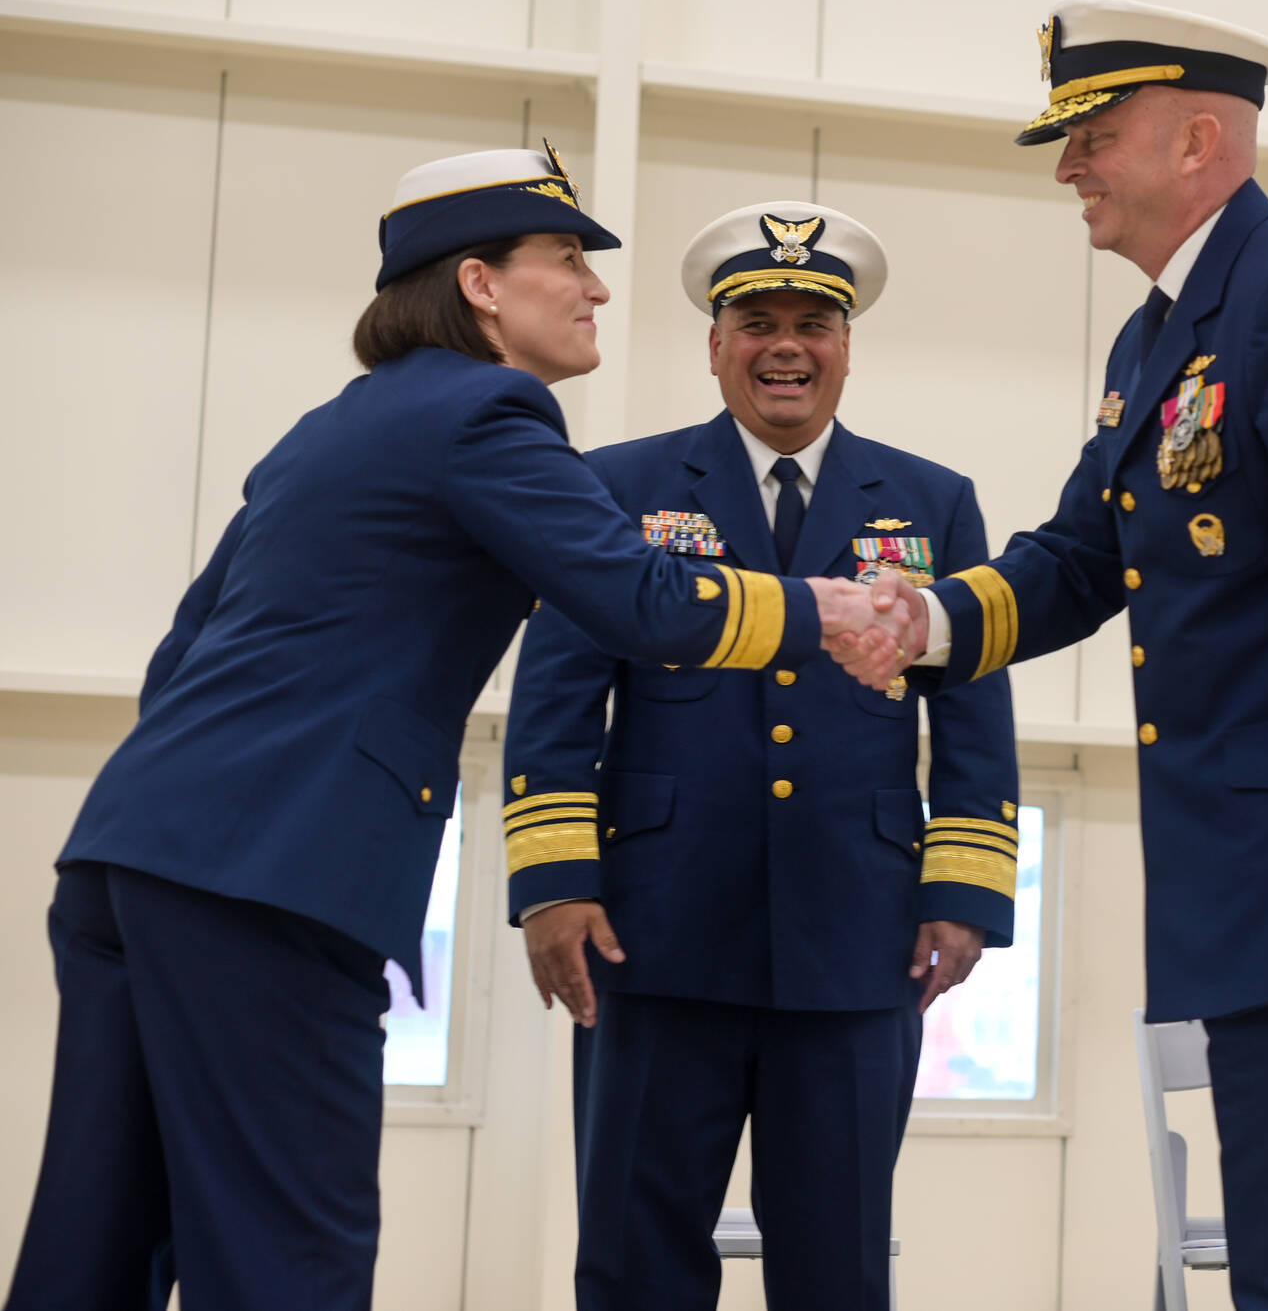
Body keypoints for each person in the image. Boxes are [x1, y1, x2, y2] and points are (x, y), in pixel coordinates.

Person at [3, 147, 913, 1311]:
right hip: (272, 877)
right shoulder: (489, 410)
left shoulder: (339, 423)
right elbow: (637, 599)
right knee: (290, 1245)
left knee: (101, 1230)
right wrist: (817, 607)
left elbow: (182, 652)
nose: (593, 289)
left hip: (139, 851)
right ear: (480, 283)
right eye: (569, 260)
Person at [866, 0, 1268, 1311]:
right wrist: (922, 621)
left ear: (1199, 139)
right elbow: (1082, 556)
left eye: (1092, 133)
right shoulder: (1160, 333)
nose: (1068, 166)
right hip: (1255, 886)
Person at [504, 201, 1019, 1311]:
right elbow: (552, 706)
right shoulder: (616, 488)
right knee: (635, 1257)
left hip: (855, 941)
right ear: (714, 345)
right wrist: (553, 886)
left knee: (836, 1265)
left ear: (845, 347)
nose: (785, 344)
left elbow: (973, 720)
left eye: (812, 323)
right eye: (756, 320)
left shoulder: (932, 504)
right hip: (649, 935)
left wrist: (964, 894)